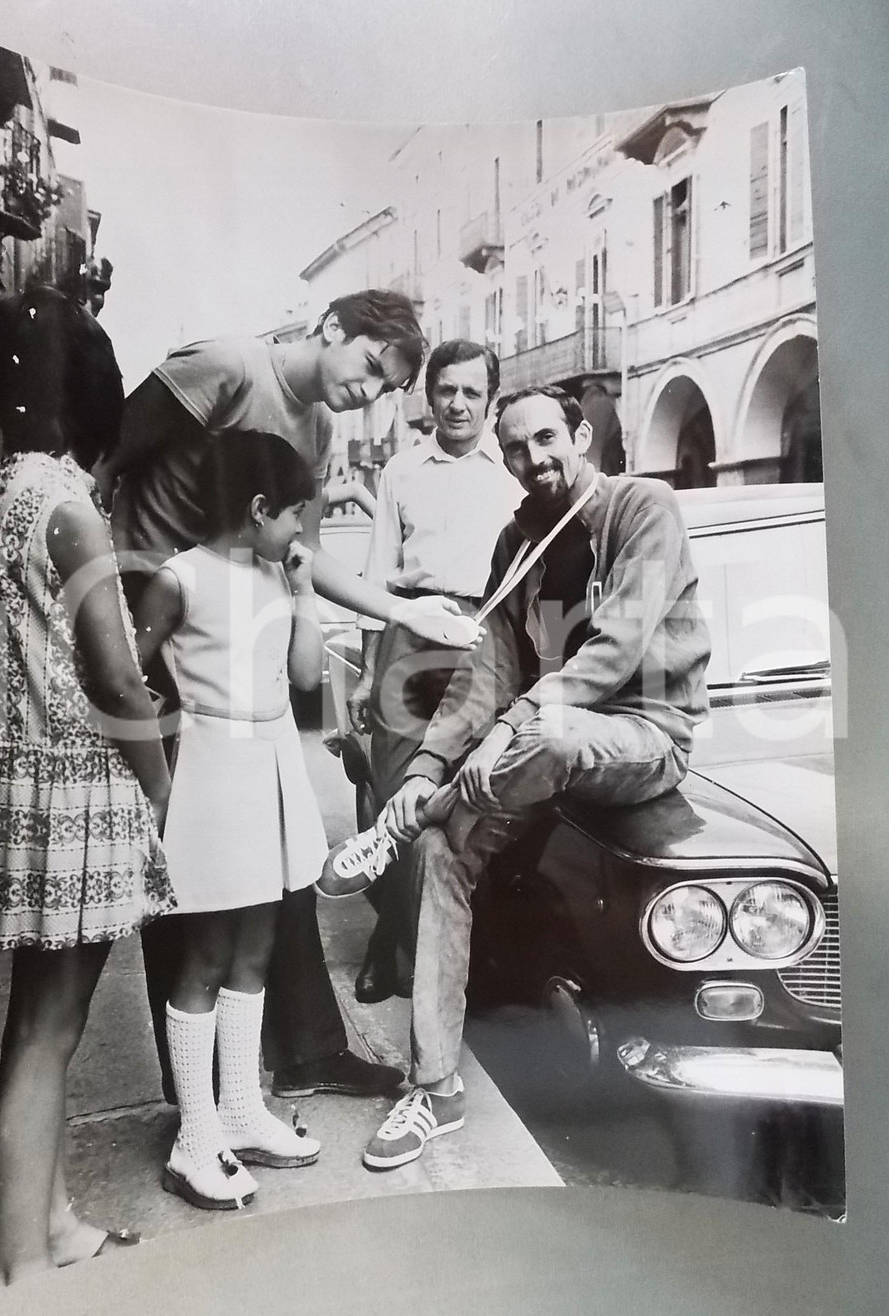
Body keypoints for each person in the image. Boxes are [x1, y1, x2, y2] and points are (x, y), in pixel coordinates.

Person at [104, 290, 471, 1103]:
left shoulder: (320, 428)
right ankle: (194, 1093)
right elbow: (108, 459)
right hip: (162, 628)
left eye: (388, 387)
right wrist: (105, 607)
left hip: (247, 645)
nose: (370, 392)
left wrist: (402, 608)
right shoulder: (230, 365)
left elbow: (299, 555)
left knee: (280, 854)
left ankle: (306, 1052)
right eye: (372, 367)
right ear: (330, 328)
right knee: (188, 873)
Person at [357, 384, 712, 1170]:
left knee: (542, 738)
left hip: (644, 733)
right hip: (543, 747)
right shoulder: (521, 540)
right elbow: (486, 671)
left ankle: (403, 822)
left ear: (581, 434)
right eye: (514, 448)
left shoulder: (641, 507)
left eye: (547, 438)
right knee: (445, 851)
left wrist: (511, 730)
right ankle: (437, 1085)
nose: (533, 460)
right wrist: (426, 762)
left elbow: (616, 648)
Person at [0, 287, 175, 1285]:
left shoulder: (5, 492)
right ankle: (16, 1272)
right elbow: (117, 677)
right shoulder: (74, 508)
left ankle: (43, 1219)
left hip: (21, 783)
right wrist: (162, 788)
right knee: (50, 1030)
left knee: (38, 1027)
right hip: (79, 784)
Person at [134, 432, 326, 1210]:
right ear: (257, 509)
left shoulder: (277, 580)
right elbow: (126, 676)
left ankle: (242, 1108)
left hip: (271, 765)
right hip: (214, 773)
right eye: (294, 518)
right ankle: (196, 1135)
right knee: (207, 953)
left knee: (258, 944)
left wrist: (307, 593)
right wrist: (154, 777)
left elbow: (307, 676)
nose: (300, 534)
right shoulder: (180, 579)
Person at [342, 339, 519, 1003]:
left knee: (460, 802)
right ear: (430, 396)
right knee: (394, 792)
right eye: (447, 390)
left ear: (490, 401)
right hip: (409, 636)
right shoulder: (399, 474)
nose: (458, 403)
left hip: (480, 639)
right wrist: (365, 674)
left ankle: (443, 955)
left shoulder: (509, 481)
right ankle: (388, 938)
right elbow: (375, 573)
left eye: (473, 392)